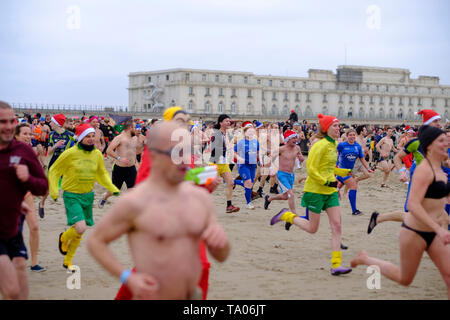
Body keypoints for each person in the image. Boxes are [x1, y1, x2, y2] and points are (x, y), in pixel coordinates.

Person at [87, 121, 230, 299]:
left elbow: (222, 256)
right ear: (153, 155)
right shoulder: (136, 202)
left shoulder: (200, 198)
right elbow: (96, 242)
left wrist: (221, 245)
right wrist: (127, 277)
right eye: (175, 153)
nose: (183, 161)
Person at [352, 125, 450, 298]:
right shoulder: (423, 171)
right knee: (405, 279)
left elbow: (441, 201)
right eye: (441, 141)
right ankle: (365, 259)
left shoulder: (441, 172)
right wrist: (439, 229)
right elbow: (413, 205)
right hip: (414, 233)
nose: (446, 144)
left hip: (433, 234)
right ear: (429, 146)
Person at [269, 114, 352, 276]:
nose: (338, 128)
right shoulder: (319, 145)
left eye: (338, 126)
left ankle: (336, 265)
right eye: (335, 126)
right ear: (326, 128)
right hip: (315, 190)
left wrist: (344, 173)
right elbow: (311, 170)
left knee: (337, 225)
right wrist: (327, 182)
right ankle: (286, 215)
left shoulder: (334, 144)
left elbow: (329, 168)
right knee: (312, 228)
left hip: (330, 191)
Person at [48, 124, 120, 271]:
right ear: (80, 138)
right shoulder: (70, 153)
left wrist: (111, 187)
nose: (91, 139)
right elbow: (54, 170)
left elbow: (102, 174)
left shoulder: (97, 154)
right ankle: (63, 238)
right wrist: (54, 190)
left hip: (88, 196)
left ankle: (67, 261)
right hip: (71, 195)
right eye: (88, 136)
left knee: (80, 230)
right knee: (80, 228)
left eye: (93, 136)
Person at [0, 101, 48, 299]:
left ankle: (33, 262)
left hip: (12, 225)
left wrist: (27, 179)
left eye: (12, 120)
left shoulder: (24, 151)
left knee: (20, 268)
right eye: (3, 122)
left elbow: (43, 186)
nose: (9, 126)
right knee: (11, 289)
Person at [368, 110, 442, 233]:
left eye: (439, 121)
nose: (439, 124)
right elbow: (397, 157)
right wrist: (402, 171)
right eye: (436, 121)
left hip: (435, 180)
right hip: (419, 179)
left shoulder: (441, 141)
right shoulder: (415, 142)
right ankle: (379, 218)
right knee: (411, 213)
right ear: (427, 124)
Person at [14, 123, 47, 272]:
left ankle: (34, 264)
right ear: (16, 135)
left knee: (34, 227)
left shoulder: (29, 151)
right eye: (24, 134)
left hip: (26, 194)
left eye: (30, 134)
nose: (28, 137)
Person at [39, 114, 76, 218]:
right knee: (49, 187)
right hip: (55, 161)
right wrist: (56, 145)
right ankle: (41, 203)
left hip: (66, 162)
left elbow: (80, 143)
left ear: (57, 123)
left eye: (51, 121)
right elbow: (49, 152)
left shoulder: (70, 134)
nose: (50, 123)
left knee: (68, 187)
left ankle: (70, 210)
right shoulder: (51, 135)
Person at [99, 119, 137, 208]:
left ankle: (128, 209)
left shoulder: (135, 138)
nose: (137, 129)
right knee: (114, 191)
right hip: (120, 169)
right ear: (130, 128)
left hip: (131, 168)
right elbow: (108, 151)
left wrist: (136, 162)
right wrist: (119, 158)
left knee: (132, 190)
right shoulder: (119, 138)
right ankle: (104, 198)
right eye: (135, 127)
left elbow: (134, 151)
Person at [264, 130, 304, 214]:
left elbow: (301, 158)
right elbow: (271, 158)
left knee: (285, 196)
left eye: (296, 138)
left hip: (291, 174)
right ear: (287, 140)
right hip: (281, 174)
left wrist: (301, 159)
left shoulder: (297, 148)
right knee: (291, 194)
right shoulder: (281, 149)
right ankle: (293, 214)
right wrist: (271, 169)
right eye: (293, 138)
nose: (295, 139)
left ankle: (269, 199)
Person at [336, 128, 373, 215]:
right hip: (341, 170)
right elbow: (334, 154)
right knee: (353, 186)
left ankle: (324, 204)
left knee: (334, 189)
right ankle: (354, 210)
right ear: (347, 136)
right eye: (350, 135)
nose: (352, 136)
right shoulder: (342, 145)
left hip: (350, 171)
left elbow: (362, 158)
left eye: (353, 135)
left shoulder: (357, 146)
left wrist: (368, 168)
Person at [209, 114, 240, 213]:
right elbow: (214, 149)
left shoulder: (228, 134)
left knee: (231, 182)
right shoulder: (216, 134)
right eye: (226, 121)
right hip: (215, 163)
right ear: (220, 123)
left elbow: (230, 148)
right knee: (209, 187)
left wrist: (237, 157)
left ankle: (229, 205)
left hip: (224, 163)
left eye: (229, 121)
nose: (228, 122)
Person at [233, 122, 260, 210]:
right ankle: (249, 203)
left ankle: (233, 181)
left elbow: (258, 153)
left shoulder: (256, 142)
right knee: (248, 183)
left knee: (250, 184)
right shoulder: (241, 142)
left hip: (252, 165)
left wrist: (261, 160)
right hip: (243, 165)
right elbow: (234, 152)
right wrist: (238, 158)